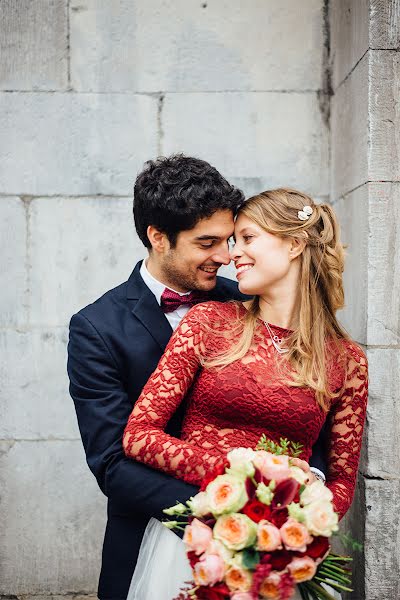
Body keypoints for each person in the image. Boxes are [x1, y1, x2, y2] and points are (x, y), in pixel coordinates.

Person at [68, 157, 326, 599]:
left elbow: (307, 403)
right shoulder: (97, 327)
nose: (225, 257)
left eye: (229, 240)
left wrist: (302, 494)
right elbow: (112, 463)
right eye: (207, 243)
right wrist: (229, 514)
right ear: (158, 237)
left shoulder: (247, 299)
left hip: (268, 544)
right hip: (152, 534)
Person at [123, 188, 368, 600]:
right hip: (195, 538)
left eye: (247, 238)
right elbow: (139, 434)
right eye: (232, 242)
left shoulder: (347, 360)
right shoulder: (209, 321)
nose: (232, 254)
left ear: (294, 244)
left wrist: (299, 520)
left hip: (279, 553)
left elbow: (343, 479)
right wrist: (250, 480)